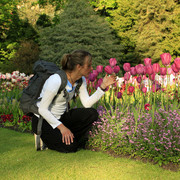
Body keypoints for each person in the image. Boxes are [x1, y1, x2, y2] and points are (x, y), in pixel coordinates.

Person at [32, 50, 116, 153]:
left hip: (61, 117)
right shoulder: (56, 80)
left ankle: (69, 138)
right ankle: (45, 137)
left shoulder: (80, 80)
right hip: (44, 121)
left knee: (91, 113)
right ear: (78, 67)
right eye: (88, 65)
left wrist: (103, 87)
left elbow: (87, 103)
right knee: (70, 148)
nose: (91, 68)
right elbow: (42, 109)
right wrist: (62, 128)